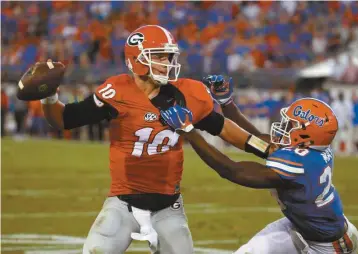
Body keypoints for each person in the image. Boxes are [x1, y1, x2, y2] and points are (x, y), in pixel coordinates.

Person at [37, 25, 270, 254]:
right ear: (137, 59)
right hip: (122, 205)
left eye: (169, 57)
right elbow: (64, 119)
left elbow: (228, 131)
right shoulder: (117, 91)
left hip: (168, 207)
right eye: (159, 56)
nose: (167, 64)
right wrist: (49, 96)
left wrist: (267, 149)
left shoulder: (189, 94)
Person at [160, 78, 358, 254]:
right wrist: (227, 104)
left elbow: (232, 170)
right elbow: (256, 140)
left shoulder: (302, 163)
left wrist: (188, 131)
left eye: (291, 124)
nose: (284, 126)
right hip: (304, 227)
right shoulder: (311, 151)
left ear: (308, 134)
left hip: (328, 246)